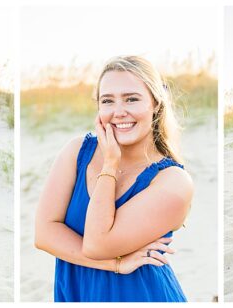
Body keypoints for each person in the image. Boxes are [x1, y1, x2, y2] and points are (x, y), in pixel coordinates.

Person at [34, 55, 194, 302]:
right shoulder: (77, 152)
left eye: (131, 99)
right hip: (78, 293)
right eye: (107, 101)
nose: (119, 112)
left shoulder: (173, 182)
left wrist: (110, 164)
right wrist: (118, 264)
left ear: (156, 104)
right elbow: (44, 234)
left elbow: (97, 245)